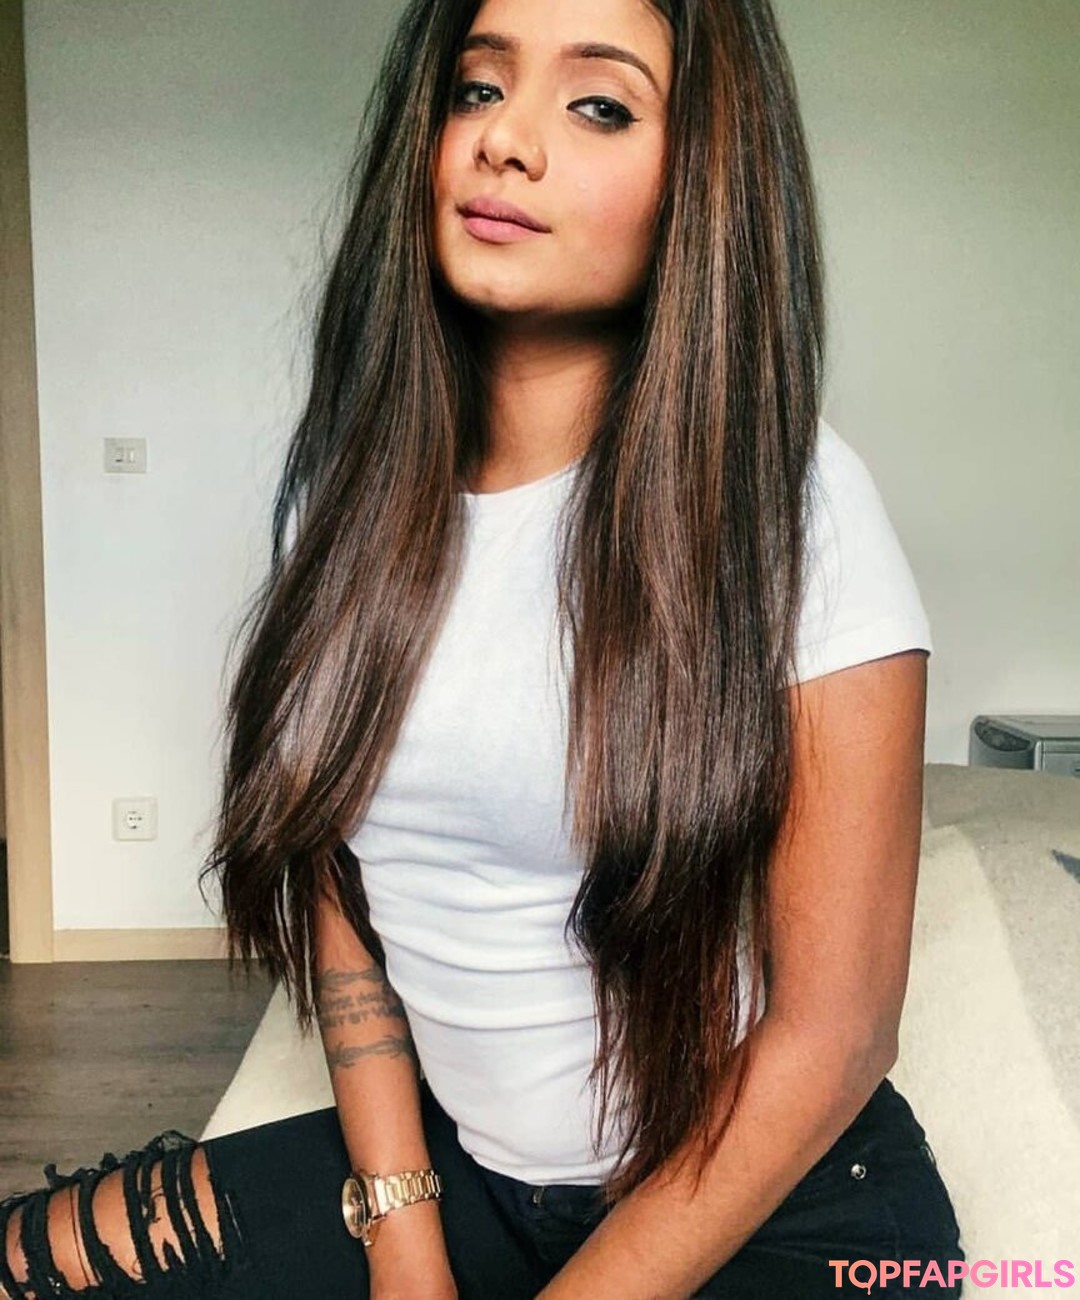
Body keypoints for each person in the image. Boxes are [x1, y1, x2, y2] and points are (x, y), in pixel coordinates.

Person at [0, 0, 966, 1296]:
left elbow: (834, 1035)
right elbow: (337, 873)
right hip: (470, 1178)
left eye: (600, 104)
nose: (507, 139)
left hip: (775, 1214)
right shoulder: (350, 492)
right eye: (477, 88)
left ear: (702, 182)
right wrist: (403, 1231)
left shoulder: (794, 504)